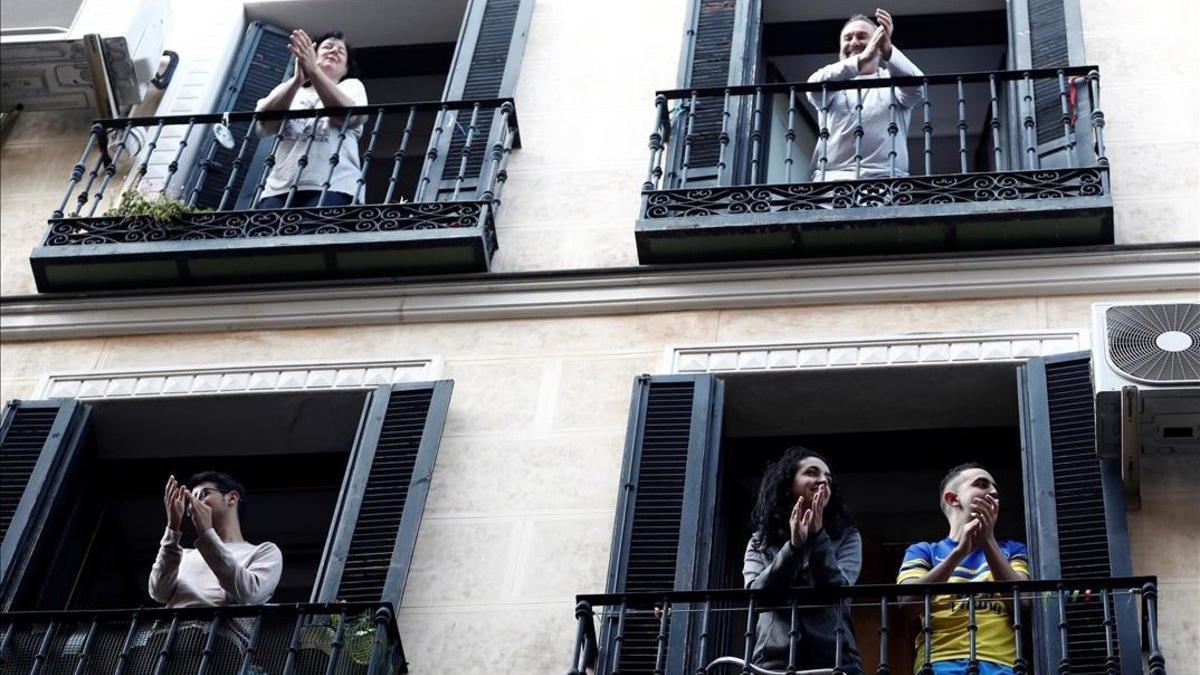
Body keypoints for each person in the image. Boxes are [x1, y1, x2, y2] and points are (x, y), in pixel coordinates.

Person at [897, 463, 1030, 675]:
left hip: (1001, 663)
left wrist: (987, 541)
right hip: (939, 663)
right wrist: (958, 553)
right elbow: (906, 605)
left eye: (995, 489)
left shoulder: (1013, 549)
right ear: (953, 498)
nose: (994, 492)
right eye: (981, 484)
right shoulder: (924, 551)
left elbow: (1021, 603)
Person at [743, 447, 864, 674]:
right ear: (788, 484)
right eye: (811, 473)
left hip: (835, 658)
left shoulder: (847, 536)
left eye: (828, 478)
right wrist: (793, 548)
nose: (823, 481)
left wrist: (817, 537)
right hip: (774, 660)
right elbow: (756, 596)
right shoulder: (760, 541)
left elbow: (838, 588)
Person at [255, 29, 368, 208]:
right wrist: (297, 80)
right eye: (328, 47)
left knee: (314, 235)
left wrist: (313, 70)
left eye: (341, 51)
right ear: (312, 56)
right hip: (278, 188)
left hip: (334, 184)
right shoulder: (287, 89)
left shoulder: (351, 87)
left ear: (346, 69)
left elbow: (343, 116)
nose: (334, 52)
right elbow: (265, 123)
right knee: (264, 235)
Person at [806, 10, 924, 181]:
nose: (854, 42)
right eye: (848, 38)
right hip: (832, 181)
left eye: (862, 36)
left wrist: (888, 50)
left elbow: (917, 89)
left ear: (877, 41)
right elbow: (813, 87)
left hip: (885, 180)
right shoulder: (831, 80)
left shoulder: (891, 78)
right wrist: (861, 59)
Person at [149, 471, 283, 607]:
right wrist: (172, 528)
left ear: (232, 498)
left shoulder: (264, 552)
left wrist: (207, 533)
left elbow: (250, 595)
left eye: (202, 495)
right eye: (190, 501)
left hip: (222, 628)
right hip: (171, 628)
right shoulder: (182, 555)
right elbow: (159, 592)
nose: (194, 504)